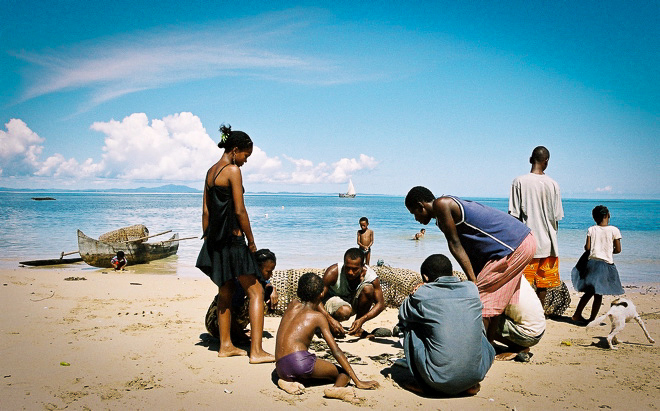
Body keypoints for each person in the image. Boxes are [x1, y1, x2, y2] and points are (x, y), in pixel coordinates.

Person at [405, 186, 536, 331]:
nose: (416, 219)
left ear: (420, 206)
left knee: (479, 300)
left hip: (514, 246)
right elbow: (471, 249)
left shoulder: (441, 204)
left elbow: (455, 245)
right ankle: (488, 349)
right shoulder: (443, 214)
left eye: (414, 213)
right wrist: (474, 277)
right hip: (521, 242)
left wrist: (473, 281)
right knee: (494, 300)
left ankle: (479, 351)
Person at [195, 124, 274, 364]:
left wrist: (209, 240)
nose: (245, 161)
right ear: (235, 149)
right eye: (245, 156)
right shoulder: (232, 171)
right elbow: (240, 210)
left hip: (215, 241)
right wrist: (251, 241)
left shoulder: (210, 172)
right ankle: (257, 351)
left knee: (225, 291)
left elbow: (206, 211)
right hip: (233, 240)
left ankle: (225, 345)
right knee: (257, 291)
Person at [398, 254, 495, 396]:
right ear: (451, 272)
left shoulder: (423, 294)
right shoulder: (472, 289)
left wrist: (416, 291)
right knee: (473, 325)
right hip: (476, 374)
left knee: (411, 326)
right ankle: (468, 382)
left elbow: (403, 315)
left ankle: (424, 384)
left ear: (425, 278)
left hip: (436, 380)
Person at [275, 272, 379, 402]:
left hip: (280, 367)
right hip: (299, 362)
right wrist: (357, 381)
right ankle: (336, 389)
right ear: (321, 294)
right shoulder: (318, 317)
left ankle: (288, 382)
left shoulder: (292, 304)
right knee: (343, 373)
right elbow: (335, 350)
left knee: (305, 372)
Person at [509, 146, 564, 304]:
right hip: (549, 244)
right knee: (543, 285)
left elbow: (514, 216)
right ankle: (539, 314)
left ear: (530, 159)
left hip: (527, 243)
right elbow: (557, 217)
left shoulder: (519, 182)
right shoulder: (554, 184)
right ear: (546, 162)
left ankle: (525, 314)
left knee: (522, 285)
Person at [205, 249, 278, 340]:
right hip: (216, 324)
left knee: (264, 295)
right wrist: (241, 336)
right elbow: (228, 310)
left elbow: (265, 282)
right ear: (257, 269)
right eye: (268, 271)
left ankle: (237, 332)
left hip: (230, 320)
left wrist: (272, 289)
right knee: (256, 299)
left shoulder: (254, 277)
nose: (271, 274)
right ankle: (232, 334)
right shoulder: (241, 284)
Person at [571, 205, 624, 323]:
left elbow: (587, 248)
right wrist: (608, 251)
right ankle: (592, 319)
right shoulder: (614, 230)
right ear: (608, 215)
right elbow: (618, 250)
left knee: (589, 291)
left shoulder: (592, 229)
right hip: (605, 265)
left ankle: (577, 314)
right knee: (598, 294)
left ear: (595, 218)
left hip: (591, 264)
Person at [318, 248, 386, 337]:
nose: (350, 272)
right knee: (344, 311)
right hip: (332, 301)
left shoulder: (371, 276)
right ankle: (328, 325)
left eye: (355, 269)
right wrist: (330, 319)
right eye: (347, 268)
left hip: (351, 301)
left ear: (362, 266)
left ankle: (356, 328)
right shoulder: (333, 272)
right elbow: (316, 299)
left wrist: (362, 319)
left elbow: (381, 304)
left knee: (368, 289)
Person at [487, 275, 546, 361]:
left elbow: (494, 312)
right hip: (538, 330)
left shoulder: (500, 279)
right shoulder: (515, 273)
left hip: (527, 335)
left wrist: (488, 343)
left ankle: (517, 347)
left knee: (480, 317)